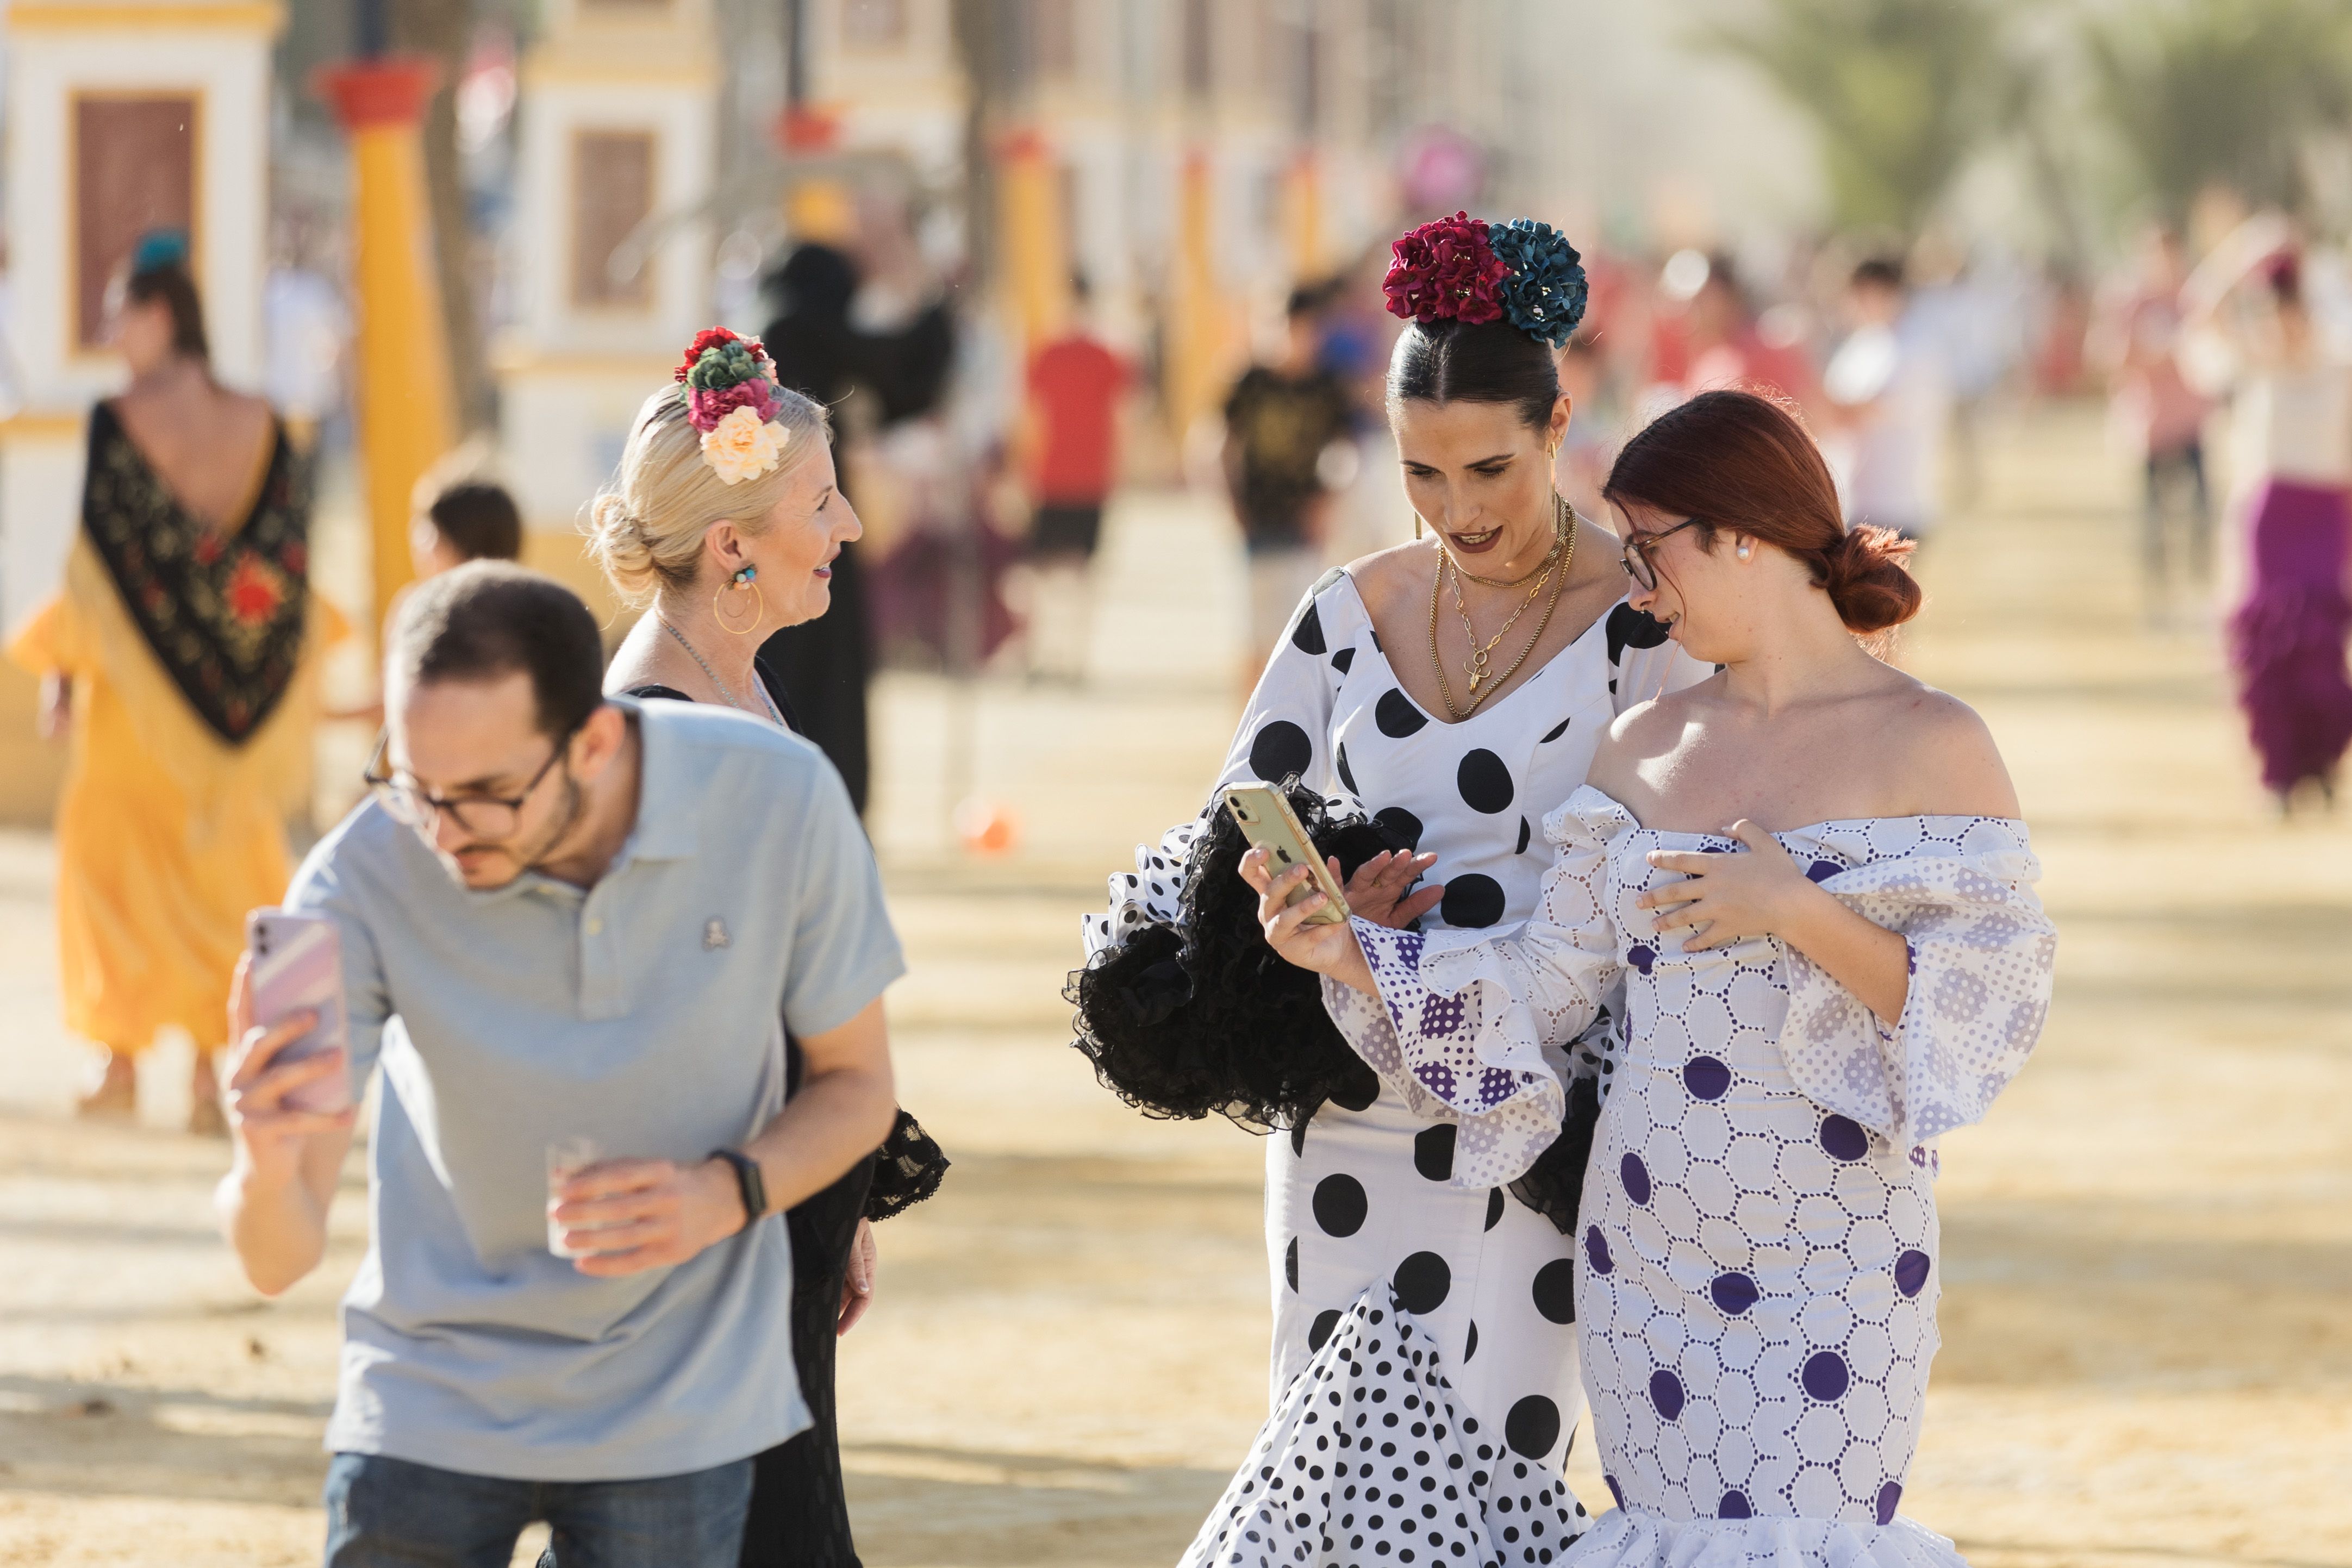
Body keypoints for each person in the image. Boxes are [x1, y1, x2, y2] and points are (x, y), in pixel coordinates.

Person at [1251, 389, 2057, 1567]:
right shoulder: (1639, 747)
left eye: (1649, 551)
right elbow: (1545, 989)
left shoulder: (1935, 741)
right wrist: (1356, 954)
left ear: (1739, 533)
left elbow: (1985, 1008)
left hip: (1841, 1256)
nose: (1637, 590)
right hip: (1643, 1253)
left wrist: (1792, 908)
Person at [1075, 214, 1708, 1567]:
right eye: (1422, 471)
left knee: (1495, 1468)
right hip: (1344, 1109)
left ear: (1558, 426)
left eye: (1489, 467)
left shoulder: (1646, 623)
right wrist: (1296, 897)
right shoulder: (1343, 609)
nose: (1458, 507)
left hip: (1527, 1111)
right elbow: (1233, 826)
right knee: (1324, 1461)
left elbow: (1673, 873)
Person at [215, 558, 901, 1568]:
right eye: (415, 785)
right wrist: (266, 1163)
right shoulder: (359, 875)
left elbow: (858, 1087)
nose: (441, 831)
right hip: (429, 1406)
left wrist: (726, 1193)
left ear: (593, 741)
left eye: (487, 794)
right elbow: (274, 1259)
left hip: (681, 1411)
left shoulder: (779, 797)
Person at [584, 327, 949, 1568]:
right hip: (703, 1250)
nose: (851, 524)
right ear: (732, 544)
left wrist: (835, 1187)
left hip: (766, 1217)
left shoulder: (735, 685)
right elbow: (652, 1027)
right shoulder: (657, 732)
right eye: (821, 501)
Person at [8, 229, 337, 1133]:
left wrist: (62, 672)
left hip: (131, 703)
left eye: (121, 314)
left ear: (160, 316)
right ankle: (205, 1069)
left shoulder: (119, 419)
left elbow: (95, 569)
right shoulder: (261, 421)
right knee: (221, 870)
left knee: (108, 866)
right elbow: (286, 561)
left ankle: (117, 1063)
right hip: (234, 707)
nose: (112, 332)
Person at [759, 243, 955, 814]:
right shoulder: (797, 330)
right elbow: (897, 364)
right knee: (813, 665)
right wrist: (936, 307)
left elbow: (895, 382)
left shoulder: (789, 331)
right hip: (807, 522)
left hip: (782, 525)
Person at [2186, 221, 2352, 809]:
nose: (2283, 325)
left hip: (2325, 514)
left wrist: (2311, 254)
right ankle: (2280, 773)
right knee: (2268, 644)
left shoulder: (2338, 365)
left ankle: (2320, 762)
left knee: (2320, 644)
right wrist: (2244, 250)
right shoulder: (2251, 364)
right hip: (2267, 516)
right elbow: (2200, 311)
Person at [1222, 284, 1357, 674]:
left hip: (1304, 523)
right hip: (1256, 519)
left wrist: (1329, 504)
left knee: (1305, 630)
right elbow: (1219, 445)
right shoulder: (1250, 382)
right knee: (1254, 631)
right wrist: (1229, 502)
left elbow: (1347, 453)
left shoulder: (1328, 387)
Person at [2090, 226, 2213, 614]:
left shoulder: (2195, 296)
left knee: (2201, 515)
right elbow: (2106, 357)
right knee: (2153, 521)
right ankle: (2158, 599)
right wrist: (2155, 356)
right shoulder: (2129, 300)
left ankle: (2197, 591)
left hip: (2191, 423)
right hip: (2149, 428)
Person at [1020, 273, 1128, 683]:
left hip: (1071, 476)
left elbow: (1031, 419)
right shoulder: (1075, 354)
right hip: (1068, 476)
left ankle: (1065, 656)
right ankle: (1059, 655)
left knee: (1059, 573)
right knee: (1062, 573)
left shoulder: (1088, 355)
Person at [1824, 257, 1949, 542]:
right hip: (1852, 504)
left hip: (1895, 509)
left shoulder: (1915, 348)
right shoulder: (1860, 343)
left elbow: (1866, 410)